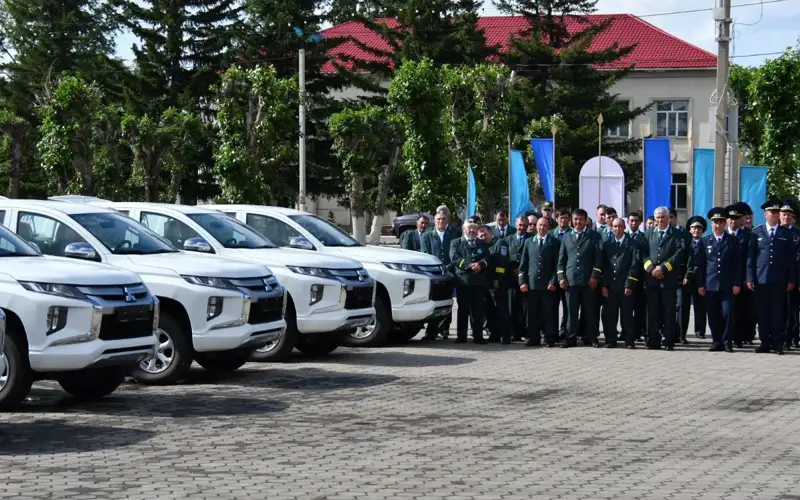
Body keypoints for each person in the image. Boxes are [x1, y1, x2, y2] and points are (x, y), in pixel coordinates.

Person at [746, 200, 796, 354]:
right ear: (765, 215)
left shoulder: (786, 233)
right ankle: (764, 343)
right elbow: (750, 258)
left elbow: (791, 259)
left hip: (779, 280)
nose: (774, 215)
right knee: (762, 312)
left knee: (777, 313)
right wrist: (749, 278)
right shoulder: (756, 232)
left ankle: (777, 343)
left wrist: (791, 279)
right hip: (761, 279)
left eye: (776, 212)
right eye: (771, 212)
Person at [694, 207, 741, 352]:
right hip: (710, 284)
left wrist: (737, 283)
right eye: (715, 222)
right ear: (712, 223)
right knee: (713, 315)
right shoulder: (704, 241)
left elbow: (738, 264)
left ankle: (727, 342)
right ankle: (717, 341)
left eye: (720, 222)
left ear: (725, 223)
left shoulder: (732, 240)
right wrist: (700, 284)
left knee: (727, 313)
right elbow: (700, 265)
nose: (718, 225)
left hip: (727, 284)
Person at [557, 208, 603, 348]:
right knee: (571, 312)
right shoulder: (566, 236)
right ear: (572, 220)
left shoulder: (594, 236)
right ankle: (570, 338)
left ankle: (591, 338)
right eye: (575, 219)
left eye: (581, 219)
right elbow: (561, 260)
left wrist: (595, 276)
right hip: (570, 281)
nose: (578, 222)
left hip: (589, 281)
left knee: (590, 311)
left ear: (585, 221)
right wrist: (561, 277)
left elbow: (598, 259)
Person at [643, 206, 684, 351]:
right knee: (652, 312)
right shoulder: (648, 234)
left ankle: (668, 340)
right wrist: (651, 268)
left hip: (669, 280)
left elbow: (679, 253)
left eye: (662, 217)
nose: (660, 220)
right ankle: (653, 339)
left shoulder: (677, 234)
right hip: (652, 280)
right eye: (657, 217)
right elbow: (642, 253)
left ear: (668, 218)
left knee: (669, 311)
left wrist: (663, 268)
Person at [519, 217, 561, 347]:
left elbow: (557, 265)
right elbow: (523, 265)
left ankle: (550, 338)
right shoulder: (528, 242)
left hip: (548, 285)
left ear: (548, 227)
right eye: (539, 225)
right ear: (536, 226)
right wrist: (522, 281)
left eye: (544, 225)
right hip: (532, 285)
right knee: (532, 314)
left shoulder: (554, 243)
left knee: (549, 313)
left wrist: (554, 281)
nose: (542, 228)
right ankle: (533, 337)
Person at [420, 209, 460, 340]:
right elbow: (425, 254)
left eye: (443, 219)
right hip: (434, 274)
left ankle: (445, 328)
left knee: (448, 301)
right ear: (434, 221)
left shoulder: (454, 234)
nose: (441, 221)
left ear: (447, 220)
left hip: (450, 272)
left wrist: (448, 268)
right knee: (434, 301)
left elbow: (455, 254)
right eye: (438, 219)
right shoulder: (427, 235)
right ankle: (432, 331)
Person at [600, 217, 640, 348]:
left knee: (627, 315)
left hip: (625, 286)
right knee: (609, 315)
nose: (617, 229)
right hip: (610, 286)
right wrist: (604, 285)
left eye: (620, 226)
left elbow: (634, 265)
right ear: (612, 228)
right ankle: (610, 340)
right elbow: (604, 265)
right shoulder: (607, 244)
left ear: (624, 227)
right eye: (615, 227)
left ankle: (629, 341)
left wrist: (629, 284)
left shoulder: (632, 244)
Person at [450, 217, 490, 344]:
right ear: (464, 229)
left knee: (478, 310)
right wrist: (470, 265)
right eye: (469, 228)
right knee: (463, 310)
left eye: (474, 228)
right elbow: (454, 258)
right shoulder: (456, 242)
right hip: (464, 281)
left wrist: (481, 265)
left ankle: (478, 336)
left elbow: (487, 257)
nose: (472, 230)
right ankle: (461, 336)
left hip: (478, 282)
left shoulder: (482, 243)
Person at [479, 225, 512, 344]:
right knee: (490, 311)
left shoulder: (500, 243)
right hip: (486, 282)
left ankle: (506, 336)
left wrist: (498, 279)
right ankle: (494, 334)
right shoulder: (481, 245)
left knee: (502, 310)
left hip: (499, 283)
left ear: (491, 233)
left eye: (485, 234)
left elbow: (502, 262)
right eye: (481, 235)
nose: (483, 237)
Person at [726, 203, 752, 348]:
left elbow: (749, 260)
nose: (732, 221)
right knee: (725, 311)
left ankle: (739, 337)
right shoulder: (721, 235)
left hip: (741, 279)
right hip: (723, 279)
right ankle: (726, 337)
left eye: (736, 218)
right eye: (730, 218)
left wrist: (747, 279)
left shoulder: (748, 236)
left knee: (741, 310)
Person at [681, 215, 708, 339]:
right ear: (689, 230)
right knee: (684, 307)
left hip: (701, 279)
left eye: (699, 228)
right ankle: (682, 332)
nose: (696, 230)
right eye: (694, 228)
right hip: (687, 279)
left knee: (701, 306)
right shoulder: (685, 243)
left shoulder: (706, 243)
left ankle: (700, 330)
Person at [669, 208, 693, 345]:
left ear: (676, 218)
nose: (670, 219)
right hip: (667, 277)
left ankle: (682, 335)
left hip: (681, 276)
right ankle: (670, 334)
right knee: (670, 307)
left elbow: (690, 256)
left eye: (672, 217)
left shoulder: (685, 234)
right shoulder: (666, 234)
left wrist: (688, 274)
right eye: (668, 217)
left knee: (683, 307)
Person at [780, 201, 800, 350]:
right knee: (780, 310)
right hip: (778, 278)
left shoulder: (797, 234)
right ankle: (781, 337)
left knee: (793, 310)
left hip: (795, 277)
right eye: (784, 214)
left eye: (789, 215)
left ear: (793, 218)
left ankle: (793, 337)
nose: (786, 217)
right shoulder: (776, 232)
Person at [550, 208, 572, 340]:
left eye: (565, 218)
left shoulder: (572, 233)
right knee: (552, 307)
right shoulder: (551, 234)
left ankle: (565, 330)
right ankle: (552, 331)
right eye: (560, 217)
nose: (563, 220)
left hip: (567, 276)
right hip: (552, 276)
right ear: (557, 219)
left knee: (567, 307)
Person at [507, 216, 530, 341]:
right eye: (520, 225)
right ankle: (513, 332)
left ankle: (524, 331)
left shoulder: (531, 239)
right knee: (512, 306)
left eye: (525, 225)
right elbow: (504, 258)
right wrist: (511, 270)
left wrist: (521, 271)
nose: (522, 227)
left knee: (525, 307)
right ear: (516, 225)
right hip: (511, 278)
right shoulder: (507, 240)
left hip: (525, 279)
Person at [627, 211, 648, 341]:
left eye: (636, 221)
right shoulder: (624, 237)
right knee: (627, 307)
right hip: (627, 278)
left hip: (641, 278)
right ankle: (627, 331)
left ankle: (639, 332)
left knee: (640, 307)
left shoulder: (644, 238)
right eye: (631, 220)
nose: (634, 223)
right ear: (628, 222)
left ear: (640, 222)